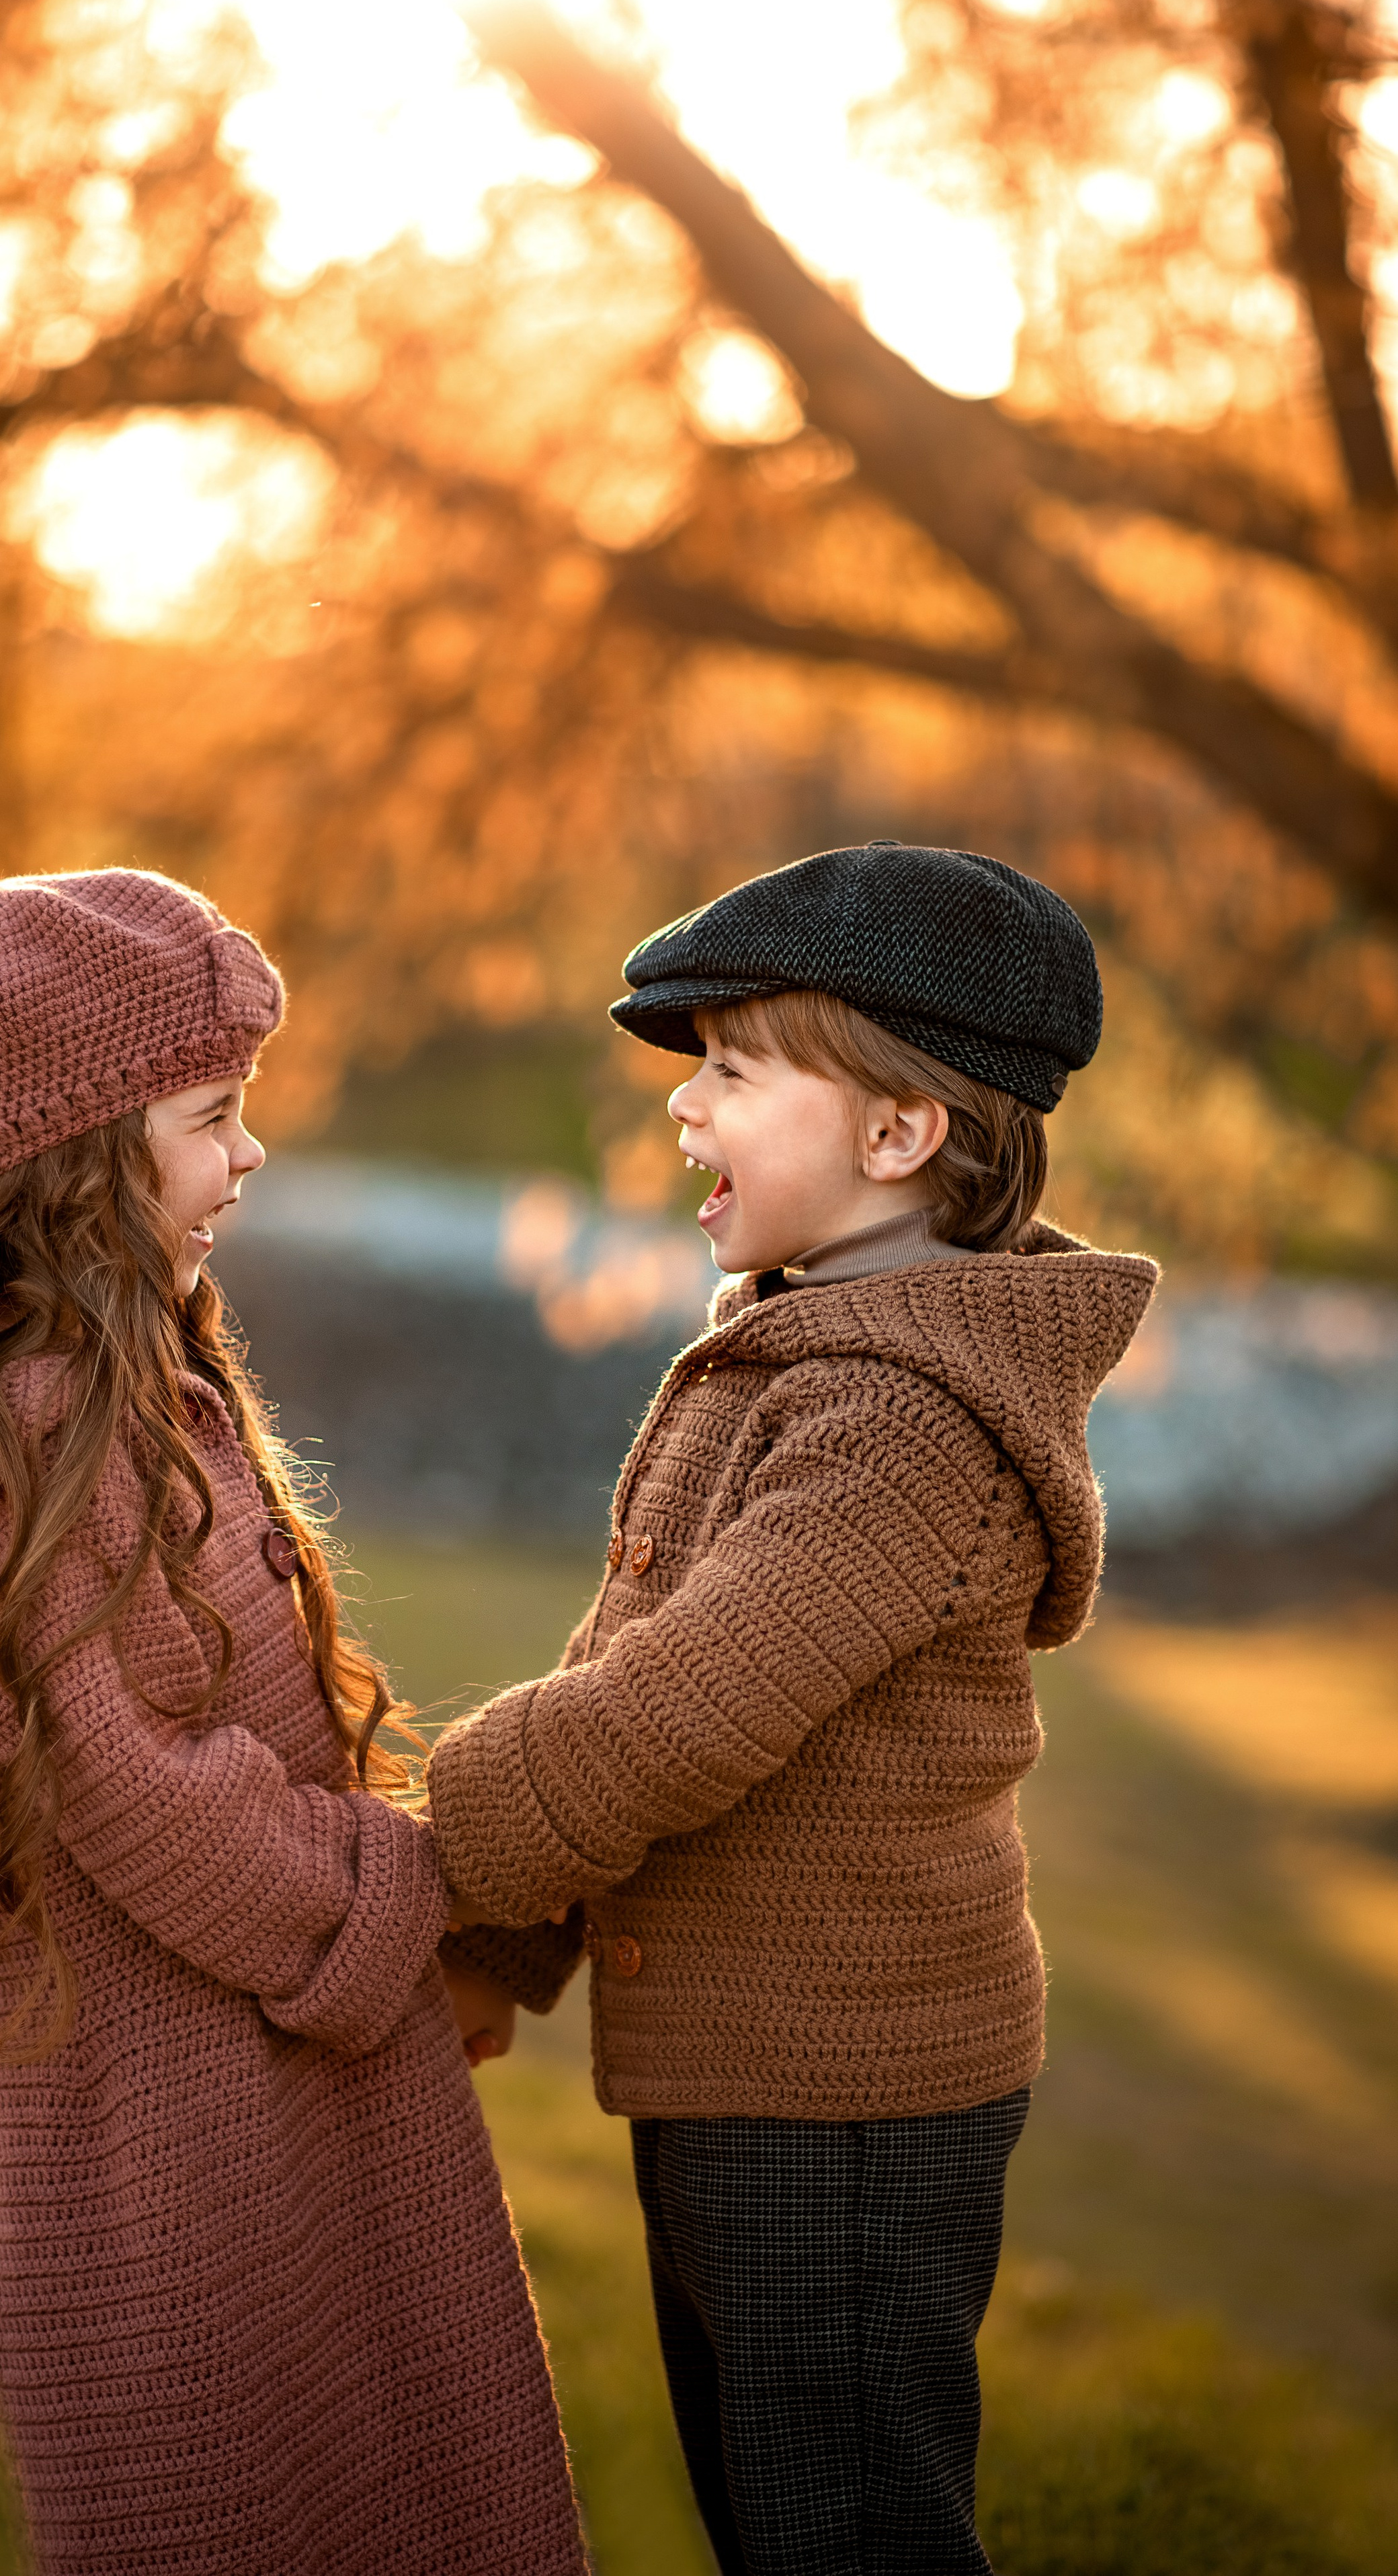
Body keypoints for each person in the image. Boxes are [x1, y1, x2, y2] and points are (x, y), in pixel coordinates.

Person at [0, 869, 585, 2576]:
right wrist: (404, 1901)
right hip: (172, 2149)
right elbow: (142, 1787)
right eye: (214, 1114)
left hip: (257, 2094)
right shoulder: (28, 1418)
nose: (251, 1154)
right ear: (76, 1151)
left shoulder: (108, 1369)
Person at [430, 841, 1159, 2575]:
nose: (685, 1111)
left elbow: (676, 1717)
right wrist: (507, 1946)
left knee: (841, 2531)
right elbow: (635, 1653)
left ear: (899, 1135)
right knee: (778, 2514)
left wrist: (434, 1853)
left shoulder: (903, 1423)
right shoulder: (809, 1343)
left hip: (838, 2095)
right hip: (748, 2069)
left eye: (735, 1071)